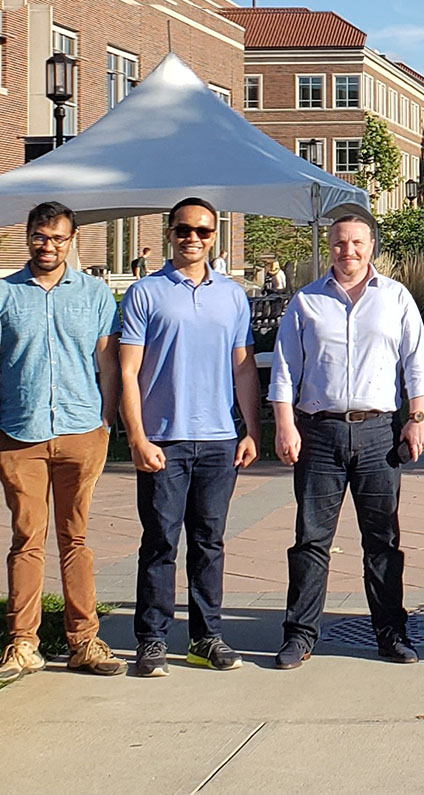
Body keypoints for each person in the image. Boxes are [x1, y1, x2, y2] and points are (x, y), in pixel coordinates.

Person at [269, 215, 424, 669]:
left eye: (357, 243)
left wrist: (416, 418)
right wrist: (285, 425)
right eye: (339, 243)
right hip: (319, 433)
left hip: (378, 432)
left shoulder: (395, 298)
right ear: (330, 247)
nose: (348, 251)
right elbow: (285, 371)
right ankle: (300, 635)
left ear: (372, 247)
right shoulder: (307, 302)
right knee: (311, 539)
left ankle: (391, 632)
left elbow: (417, 364)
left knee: (382, 539)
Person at [120, 197, 261, 677]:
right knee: (160, 541)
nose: (192, 238)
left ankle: (206, 636)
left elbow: (243, 368)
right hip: (164, 439)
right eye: (184, 230)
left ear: (214, 235)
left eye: (202, 231)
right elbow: (128, 372)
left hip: (219, 439)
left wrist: (251, 430)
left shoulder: (232, 295)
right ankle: (152, 639)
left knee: (210, 541)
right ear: (169, 233)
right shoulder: (145, 293)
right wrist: (136, 436)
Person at [0, 202, 126, 685]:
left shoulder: (94, 294)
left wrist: (106, 421)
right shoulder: (7, 294)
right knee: (26, 538)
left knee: (76, 539)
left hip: (81, 428)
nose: (48, 246)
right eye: (39, 236)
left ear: (72, 240)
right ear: (28, 236)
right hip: (19, 431)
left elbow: (107, 363)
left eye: (57, 238)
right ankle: (23, 643)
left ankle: (83, 640)